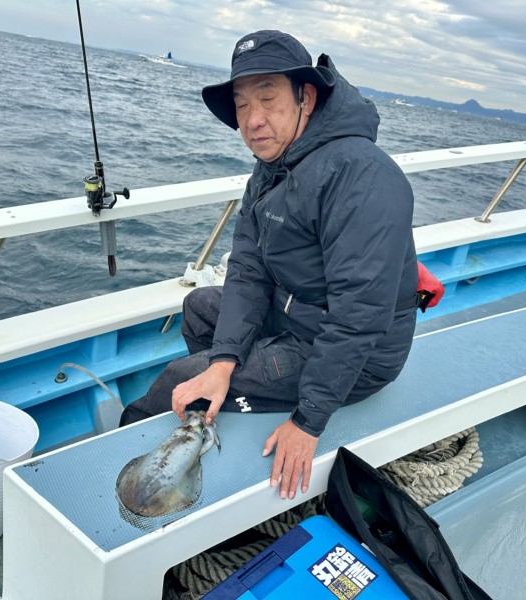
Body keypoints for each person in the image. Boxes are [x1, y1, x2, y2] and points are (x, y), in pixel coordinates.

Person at [120, 30, 418, 501]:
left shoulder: (362, 175)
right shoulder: (275, 166)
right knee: (199, 308)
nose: (253, 120)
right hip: (297, 316)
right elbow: (248, 269)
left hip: (359, 355)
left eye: (267, 99)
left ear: (306, 98)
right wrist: (223, 363)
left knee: (179, 379)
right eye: (241, 105)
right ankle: (227, 406)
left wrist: (308, 422)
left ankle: (122, 476)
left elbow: (360, 314)